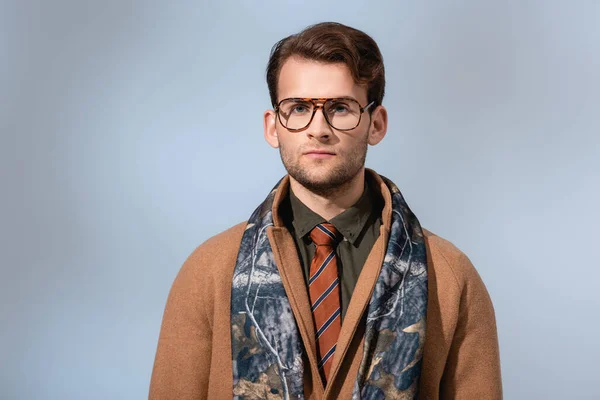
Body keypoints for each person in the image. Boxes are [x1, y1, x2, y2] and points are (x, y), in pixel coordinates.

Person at [149, 22, 502, 399]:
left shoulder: (449, 276)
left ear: (376, 124)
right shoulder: (209, 271)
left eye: (340, 107)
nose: (318, 128)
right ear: (273, 127)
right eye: (298, 108)